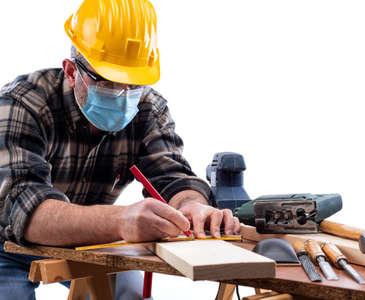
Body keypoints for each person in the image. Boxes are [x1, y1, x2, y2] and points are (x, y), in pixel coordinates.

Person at [0, 0, 240, 299]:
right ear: (72, 71)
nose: (124, 95)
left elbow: (173, 176)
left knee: (131, 295)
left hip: (84, 238)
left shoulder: (148, 107)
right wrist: (121, 221)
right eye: (109, 83)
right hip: (5, 242)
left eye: (134, 84)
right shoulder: (23, 104)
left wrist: (191, 205)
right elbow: (26, 212)